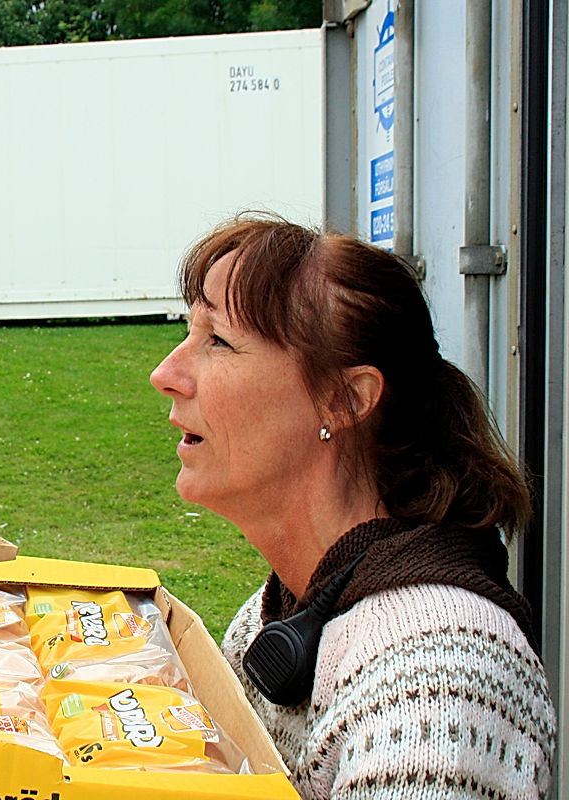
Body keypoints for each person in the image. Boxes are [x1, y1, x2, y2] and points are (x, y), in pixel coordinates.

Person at [149, 214, 555, 799]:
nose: (166, 374)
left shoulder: (434, 688)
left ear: (344, 399)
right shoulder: (281, 612)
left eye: (217, 340)